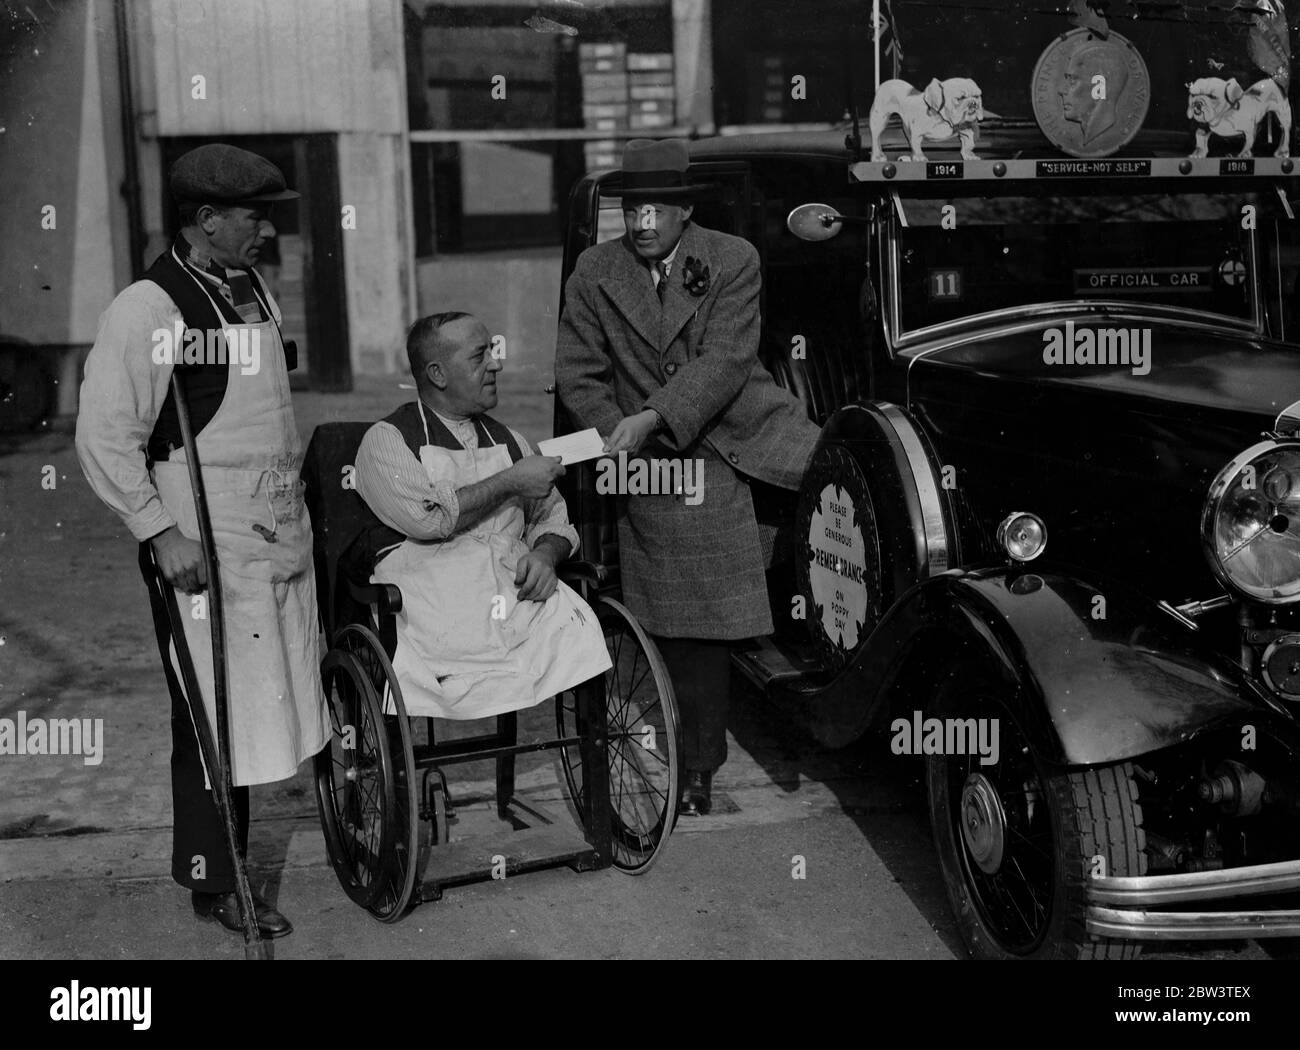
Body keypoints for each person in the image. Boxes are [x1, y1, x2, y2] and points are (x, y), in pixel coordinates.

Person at [76, 143, 329, 938]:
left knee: (269, 700)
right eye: (255, 216)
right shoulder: (148, 309)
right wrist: (158, 531)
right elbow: (105, 435)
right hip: (201, 542)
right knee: (211, 709)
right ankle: (216, 879)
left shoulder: (250, 288)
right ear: (205, 220)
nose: (267, 230)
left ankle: (237, 858)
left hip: (269, 530)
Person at [555, 138, 821, 815]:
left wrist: (650, 416)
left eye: (655, 210)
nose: (641, 224)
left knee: (842, 520)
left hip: (752, 431)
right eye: (631, 210)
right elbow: (578, 374)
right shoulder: (595, 270)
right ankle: (699, 767)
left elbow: (727, 362)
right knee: (689, 617)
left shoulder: (732, 258)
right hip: (663, 460)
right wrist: (623, 435)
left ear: (683, 210)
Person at [350, 312, 611, 720]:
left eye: (492, 351)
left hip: (511, 597)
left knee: (582, 632)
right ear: (437, 374)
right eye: (479, 356)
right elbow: (429, 520)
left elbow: (554, 517)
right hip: (435, 609)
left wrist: (545, 555)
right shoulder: (388, 441)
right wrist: (511, 482)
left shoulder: (510, 440)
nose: (496, 363)